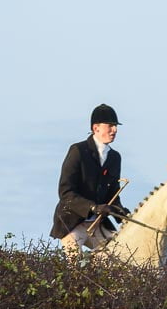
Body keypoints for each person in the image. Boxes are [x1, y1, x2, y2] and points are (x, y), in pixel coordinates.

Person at [50, 103, 129, 258]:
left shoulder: (115, 157)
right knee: (74, 264)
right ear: (96, 128)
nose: (115, 130)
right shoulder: (77, 151)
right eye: (110, 126)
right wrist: (93, 207)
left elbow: (113, 193)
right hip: (72, 222)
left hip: (98, 223)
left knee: (120, 256)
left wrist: (122, 213)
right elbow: (65, 192)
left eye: (115, 126)